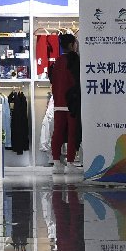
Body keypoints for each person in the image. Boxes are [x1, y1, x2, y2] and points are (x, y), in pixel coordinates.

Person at [49, 33, 82, 174]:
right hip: (72, 101)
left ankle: (56, 162)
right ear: (71, 45)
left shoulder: (57, 61)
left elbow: (53, 79)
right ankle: (70, 162)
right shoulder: (75, 60)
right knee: (72, 132)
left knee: (57, 132)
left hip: (58, 101)